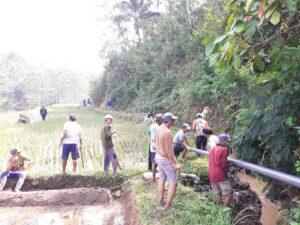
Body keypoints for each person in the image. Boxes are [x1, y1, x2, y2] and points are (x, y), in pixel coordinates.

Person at [155, 112, 180, 211]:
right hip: (165, 159)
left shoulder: (159, 128)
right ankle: (167, 205)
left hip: (158, 156)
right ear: (169, 121)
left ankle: (160, 200)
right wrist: (175, 163)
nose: (174, 121)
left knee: (162, 177)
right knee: (174, 182)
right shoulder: (167, 132)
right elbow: (170, 151)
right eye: (173, 120)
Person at [208, 134, 232, 207]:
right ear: (221, 140)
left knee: (218, 194)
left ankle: (217, 209)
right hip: (220, 175)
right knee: (228, 195)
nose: (227, 142)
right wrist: (230, 166)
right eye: (226, 141)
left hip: (211, 174)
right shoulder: (224, 149)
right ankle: (223, 211)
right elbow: (223, 164)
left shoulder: (212, 149)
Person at [147, 113, 163, 181]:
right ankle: (161, 177)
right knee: (159, 161)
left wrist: (151, 139)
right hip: (158, 146)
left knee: (154, 162)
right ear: (160, 120)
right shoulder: (160, 127)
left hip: (152, 145)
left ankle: (154, 178)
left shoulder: (152, 125)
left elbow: (148, 132)